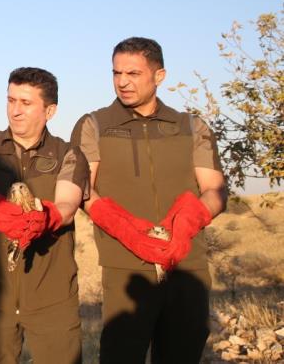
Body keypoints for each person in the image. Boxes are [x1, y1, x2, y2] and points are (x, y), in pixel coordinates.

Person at [72, 37, 227, 363]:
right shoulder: (95, 125)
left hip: (188, 266)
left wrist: (189, 222)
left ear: (159, 76)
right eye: (116, 73)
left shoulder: (191, 126)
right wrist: (127, 230)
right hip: (127, 270)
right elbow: (84, 191)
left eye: (133, 73)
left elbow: (214, 188)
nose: (123, 82)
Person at [0, 67, 88, 364]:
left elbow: (67, 206)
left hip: (53, 296)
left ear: (50, 110)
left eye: (26, 103)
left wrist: (46, 218)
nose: (15, 111)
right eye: (11, 100)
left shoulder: (68, 154)